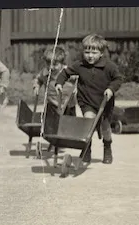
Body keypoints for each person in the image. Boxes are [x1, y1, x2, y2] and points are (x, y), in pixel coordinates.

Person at [55, 33, 124, 164]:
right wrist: (59, 83)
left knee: (106, 128)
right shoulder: (80, 65)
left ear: (101, 53)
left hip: (105, 102)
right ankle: (87, 149)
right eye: (87, 52)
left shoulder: (109, 66)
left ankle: (107, 146)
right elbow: (65, 73)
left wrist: (110, 89)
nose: (90, 56)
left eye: (94, 53)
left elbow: (118, 79)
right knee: (88, 123)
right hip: (86, 101)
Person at [32, 46, 77, 117]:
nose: (51, 67)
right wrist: (36, 86)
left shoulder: (67, 72)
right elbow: (38, 79)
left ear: (62, 63)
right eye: (48, 64)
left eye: (55, 64)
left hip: (68, 104)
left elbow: (80, 80)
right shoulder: (45, 73)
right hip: (52, 103)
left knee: (69, 123)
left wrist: (77, 85)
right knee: (50, 123)